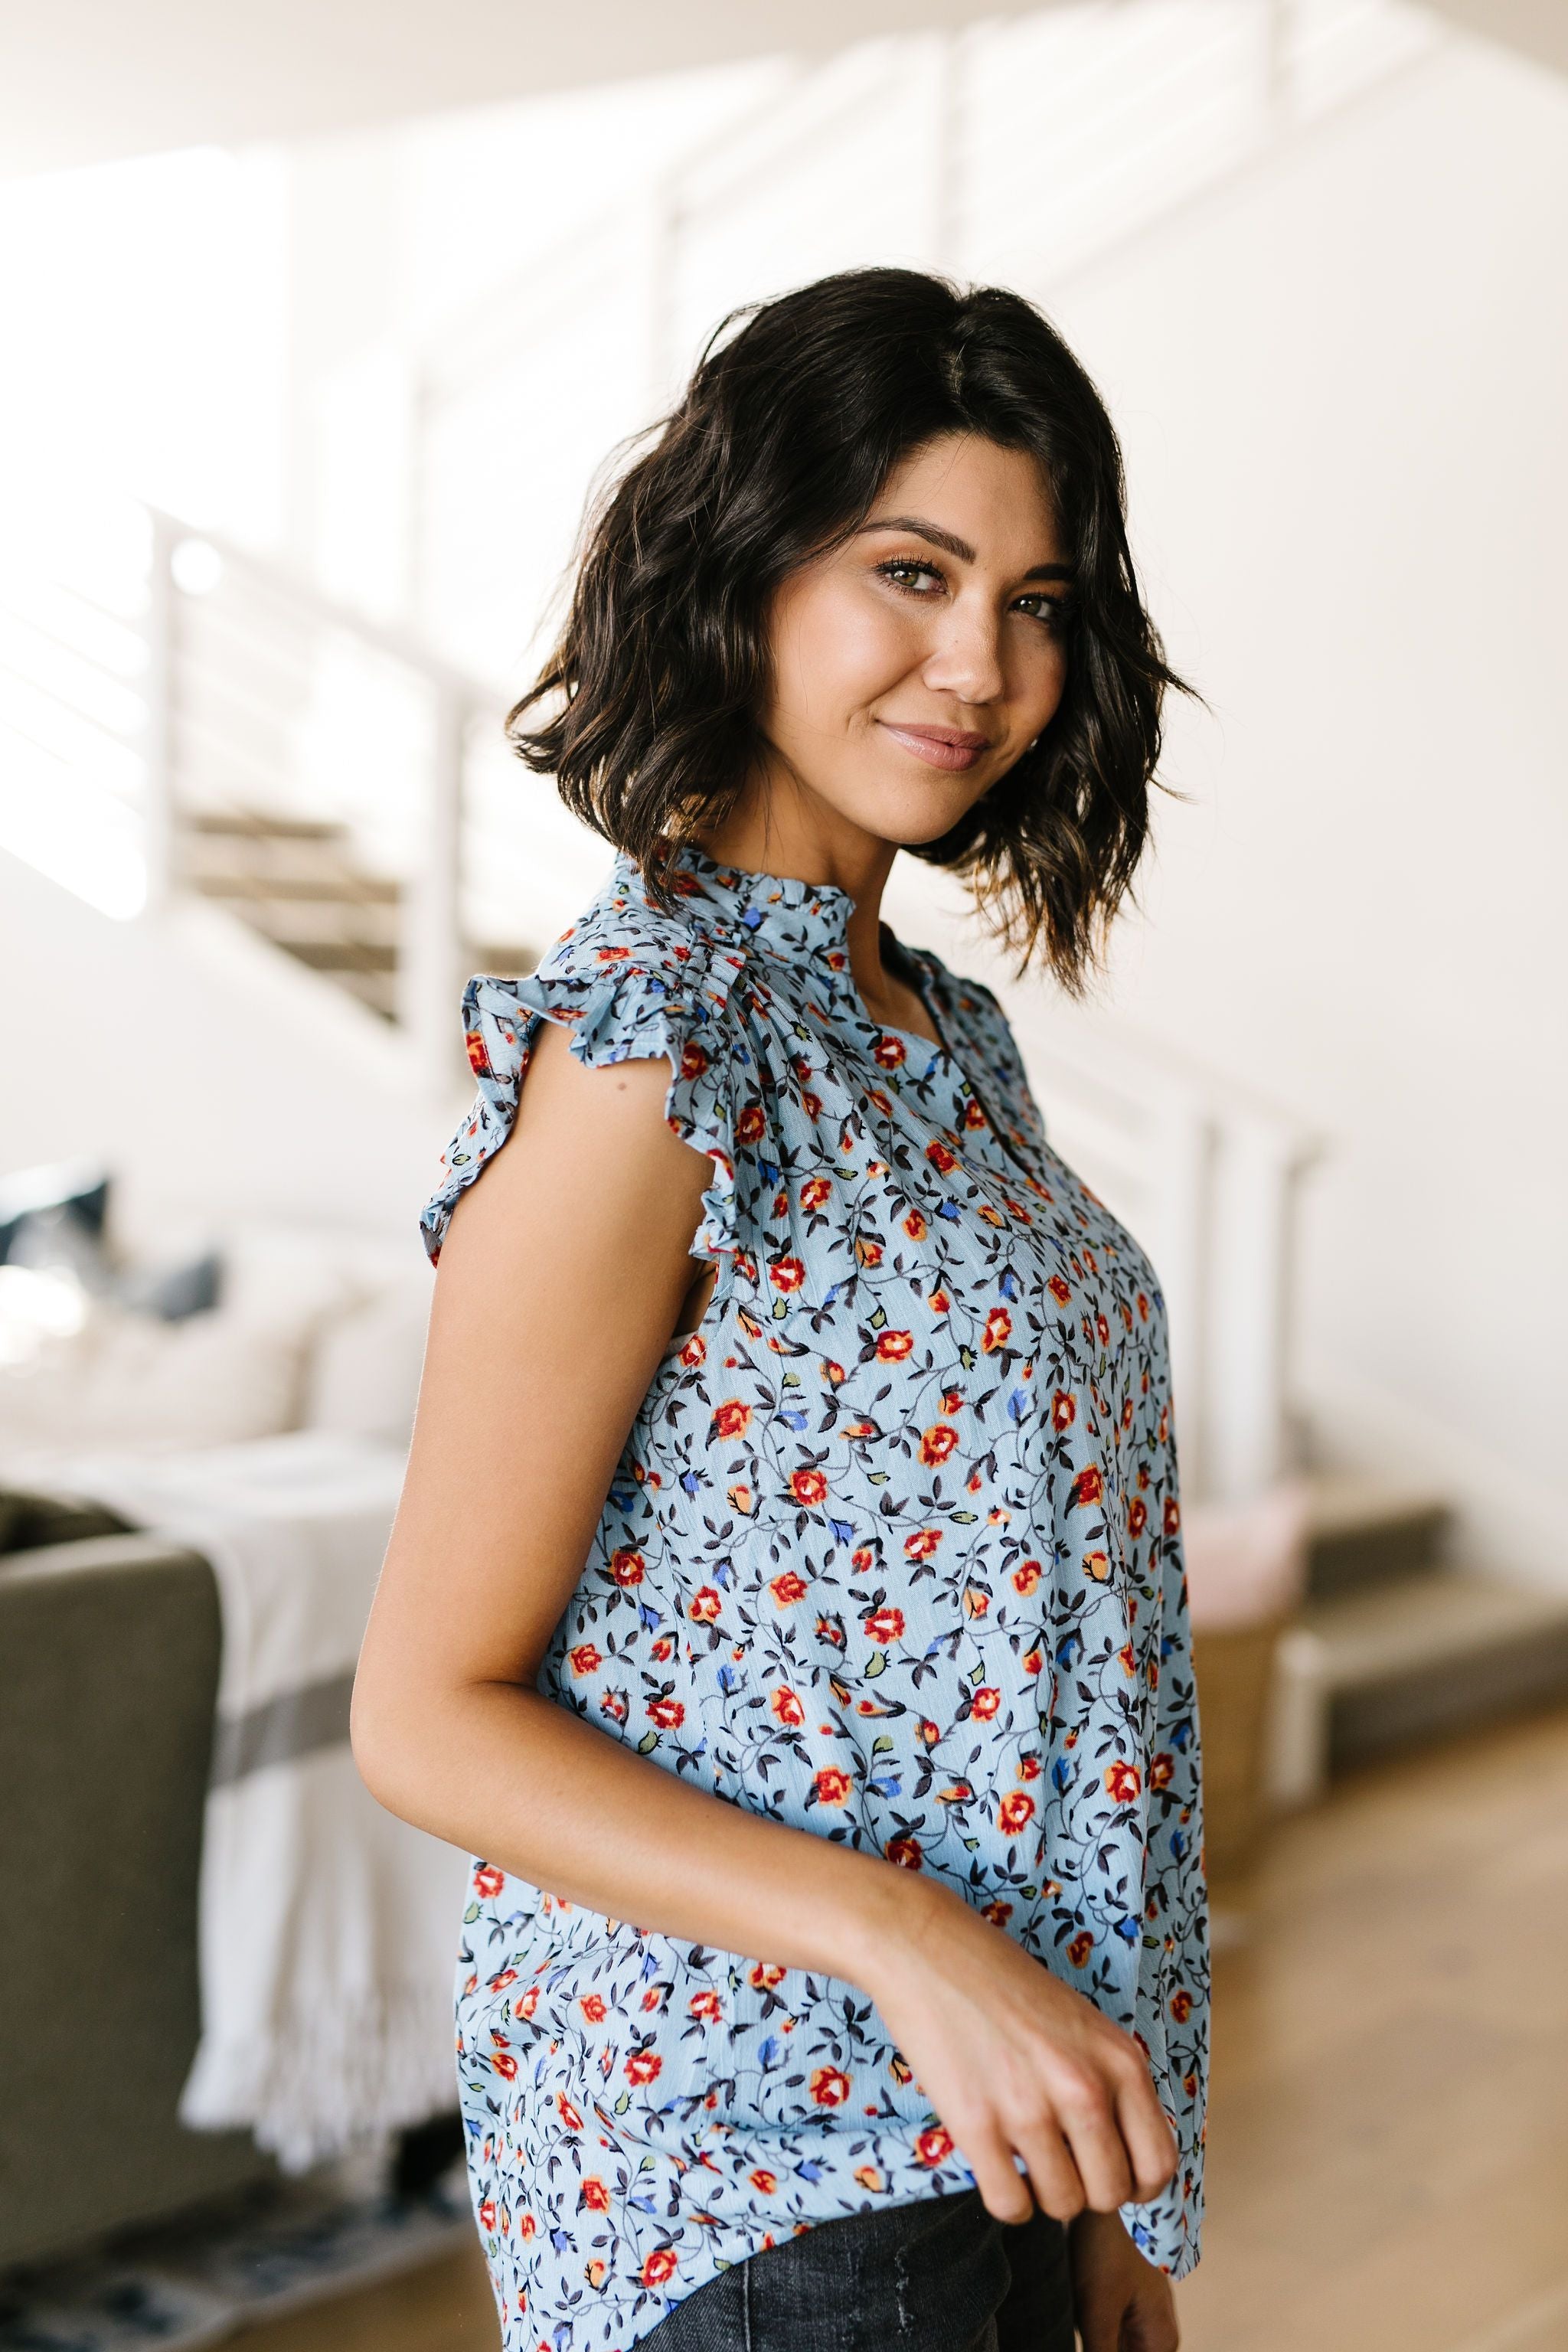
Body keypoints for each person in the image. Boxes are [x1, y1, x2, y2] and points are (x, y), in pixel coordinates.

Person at [352, 266, 1208, 2352]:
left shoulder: (939, 1034)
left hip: (997, 2132)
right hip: (762, 2172)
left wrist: (1103, 2174)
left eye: (1037, 603)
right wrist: (915, 1949)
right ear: (747, 575)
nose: (977, 662)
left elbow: (1048, 1670)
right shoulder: (658, 1037)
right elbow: (426, 1709)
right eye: (909, 571)